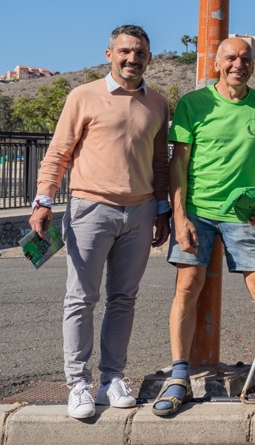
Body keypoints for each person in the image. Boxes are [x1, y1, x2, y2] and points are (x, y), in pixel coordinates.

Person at [154, 38, 255, 416]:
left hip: (245, 214)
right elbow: (178, 164)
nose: (237, 64)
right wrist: (179, 217)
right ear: (216, 63)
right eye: (230, 57)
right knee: (188, 285)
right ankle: (179, 375)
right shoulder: (194, 104)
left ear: (254, 66)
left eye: (245, 58)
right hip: (198, 210)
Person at [30, 25, 171, 419]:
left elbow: (160, 164)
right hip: (90, 209)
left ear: (148, 58)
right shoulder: (83, 96)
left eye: (140, 53)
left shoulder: (158, 103)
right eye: (124, 51)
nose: (132, 58)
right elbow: (59, 152)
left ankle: (112, 378)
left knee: (124, 299)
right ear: (109, 53)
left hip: (141, 212)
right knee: (81, 298)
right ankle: (78, 383)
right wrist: (44, 200)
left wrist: (162, 210)